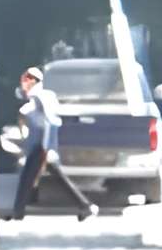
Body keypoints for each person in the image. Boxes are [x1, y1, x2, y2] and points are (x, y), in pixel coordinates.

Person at [5, 65, 95, 222]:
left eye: (28, 79)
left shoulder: (40, 97)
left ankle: (18, 212)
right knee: (53, 178)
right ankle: (84, 205)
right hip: (39, 145)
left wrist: (47, 147)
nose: (24, 83)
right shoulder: (35, 97)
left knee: (27, 177)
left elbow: (51, 121)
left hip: (41, 146)